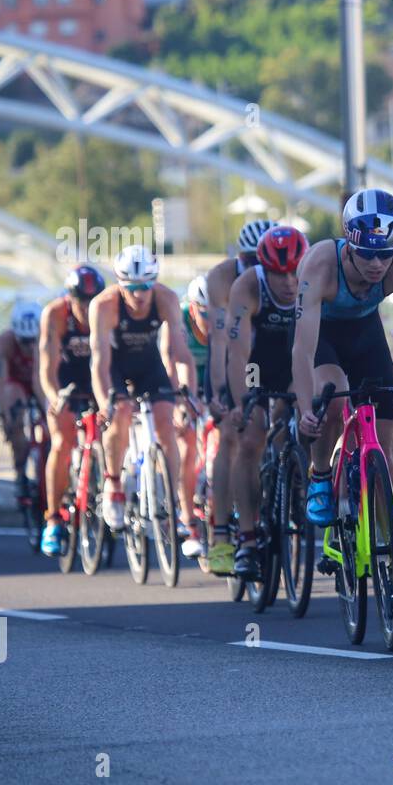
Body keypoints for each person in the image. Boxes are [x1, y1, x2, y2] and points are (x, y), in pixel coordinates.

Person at [292, 189, 393, 530]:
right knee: (334, 391)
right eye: (366, 255)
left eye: (384, 256)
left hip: (365, 332)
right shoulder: (320, 265)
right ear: (349, 244)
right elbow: (302, 348)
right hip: (321, 335)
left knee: (386, 448)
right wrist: (305, 409)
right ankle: (320, 475)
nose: (376, 265)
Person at [89, 246, 198, 534]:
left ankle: (171, 502)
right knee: (121, 412)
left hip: (148, 364)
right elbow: (99, 361)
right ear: (120, 284)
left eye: (146, 286)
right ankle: (113, 484)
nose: (140, 294)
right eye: (133, 287)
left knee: (166, 420)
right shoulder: (104, 306)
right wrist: (105, 404)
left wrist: (188, 397)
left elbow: (180, 352)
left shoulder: (166, 299)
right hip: (116, 365)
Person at [225, 225, 308, 578]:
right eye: (279, 273)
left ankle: (294, 484)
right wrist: (241, 403)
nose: (289, 281)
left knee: (305, 420)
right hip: (256, 366)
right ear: (264, 270)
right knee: (251, 439)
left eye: (293, 272)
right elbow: (237, 351)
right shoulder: (247, 286)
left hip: (295, 362)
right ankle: (246, 537)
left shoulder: (312, 277)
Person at [204, 220, 276, 575]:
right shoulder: (223, 278)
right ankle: (221, 536)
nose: (255, 267)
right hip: (236, 354)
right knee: (233, 434)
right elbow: (221, 343)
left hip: (272, 346)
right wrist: (225, 397)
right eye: (248, 260)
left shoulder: (285, 274)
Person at [37, 265, 106, 556]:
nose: (88, 307)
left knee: (109, 435)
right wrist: (54, 398)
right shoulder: (55, 315)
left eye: (93, 300)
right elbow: (46, 367)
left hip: (96, 379)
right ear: (70, 297)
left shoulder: (105, 311)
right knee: (62, 440)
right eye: (82, 300)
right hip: (64, 380)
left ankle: (107, 498)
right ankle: (53, 519)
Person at [0, 300, 48, 508]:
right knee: (13, 407)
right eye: (25, 342)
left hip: (41, 381)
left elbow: (41, 379)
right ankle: (20, 472)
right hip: (16, 384)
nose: (31, 346)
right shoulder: (3, 343)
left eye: (34, 341)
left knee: (53, 422)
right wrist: (6, 413)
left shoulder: (48, 337)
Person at [176, 275, 212, 559]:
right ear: (192, 307)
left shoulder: (226, 321)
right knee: (186, 445)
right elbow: (170, 359)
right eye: (203, 312)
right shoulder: (178, 320)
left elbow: (246, 360)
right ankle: (188, 523)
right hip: (181, 383)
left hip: (214, 382)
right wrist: (180, 399)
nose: (209, 319)